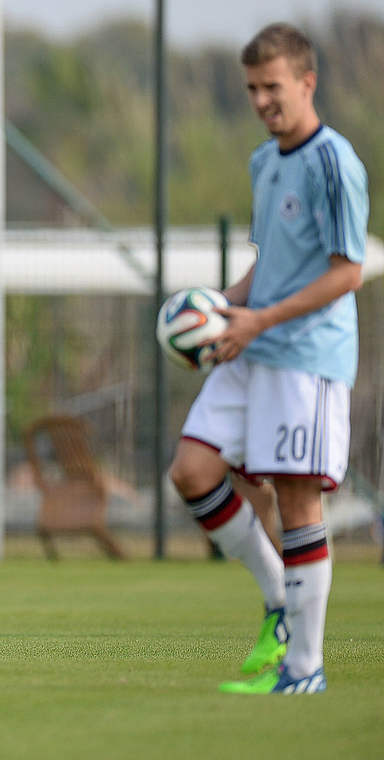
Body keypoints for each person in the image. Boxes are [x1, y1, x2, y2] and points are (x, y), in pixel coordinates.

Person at [169, 23, 367, 695]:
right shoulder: (264, 162)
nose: (262, 100)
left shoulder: (335, 163)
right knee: (192, 470)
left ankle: (305, 669)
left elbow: (348, 272)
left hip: (306, 356)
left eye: (272, 87)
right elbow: (268, 265)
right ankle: (280, 599)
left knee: (296, 500)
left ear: (307, 83)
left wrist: (258, 321)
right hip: (251, 341)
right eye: (252, 88)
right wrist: (218, 310)